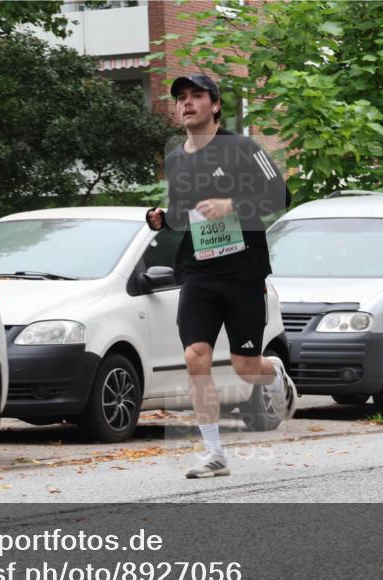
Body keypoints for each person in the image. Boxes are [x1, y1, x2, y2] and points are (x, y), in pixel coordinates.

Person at [146, 73, 295, 479]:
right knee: (197, 356)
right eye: (181, 98)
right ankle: (214, 452)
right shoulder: (177, 156)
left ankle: (275, 371)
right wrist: (163, 218)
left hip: (243, 272)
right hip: (199, 271)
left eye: (197, 96)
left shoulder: (242, 148)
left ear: (215, 105)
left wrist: (232, 204)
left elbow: (280, 196)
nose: (187, 103)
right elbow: (185, 212)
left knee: (247, 366)